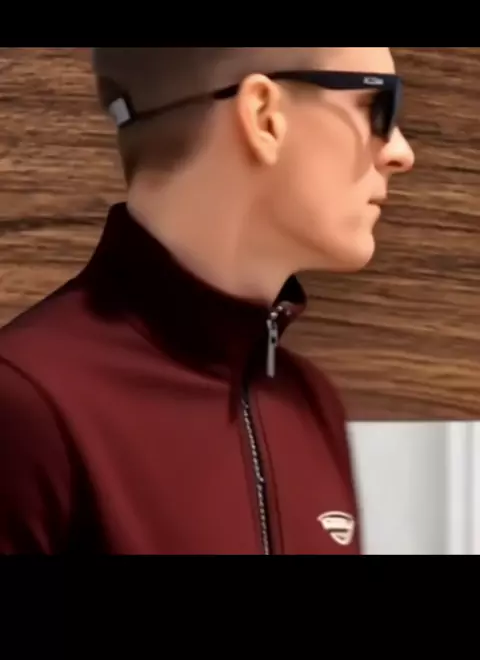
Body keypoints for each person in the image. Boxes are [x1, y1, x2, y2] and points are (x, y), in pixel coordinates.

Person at [0, 47, 414, 554]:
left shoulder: (311, 403)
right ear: (264, 116)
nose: (401, 152)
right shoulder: (24, 403)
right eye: (378, 106)